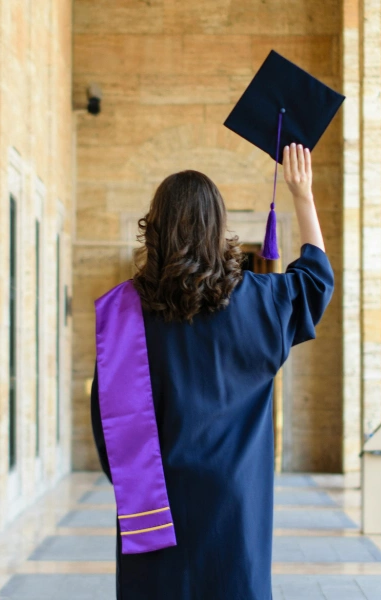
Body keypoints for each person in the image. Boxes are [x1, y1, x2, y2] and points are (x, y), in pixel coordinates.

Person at [91, 143, 334, 599]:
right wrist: (303, 195)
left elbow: (109, 429)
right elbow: (316, 282)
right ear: (219, 227)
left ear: (155, 229)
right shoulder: (261, 301)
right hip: (235, 512)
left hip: (157, 508)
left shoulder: (125, 312)